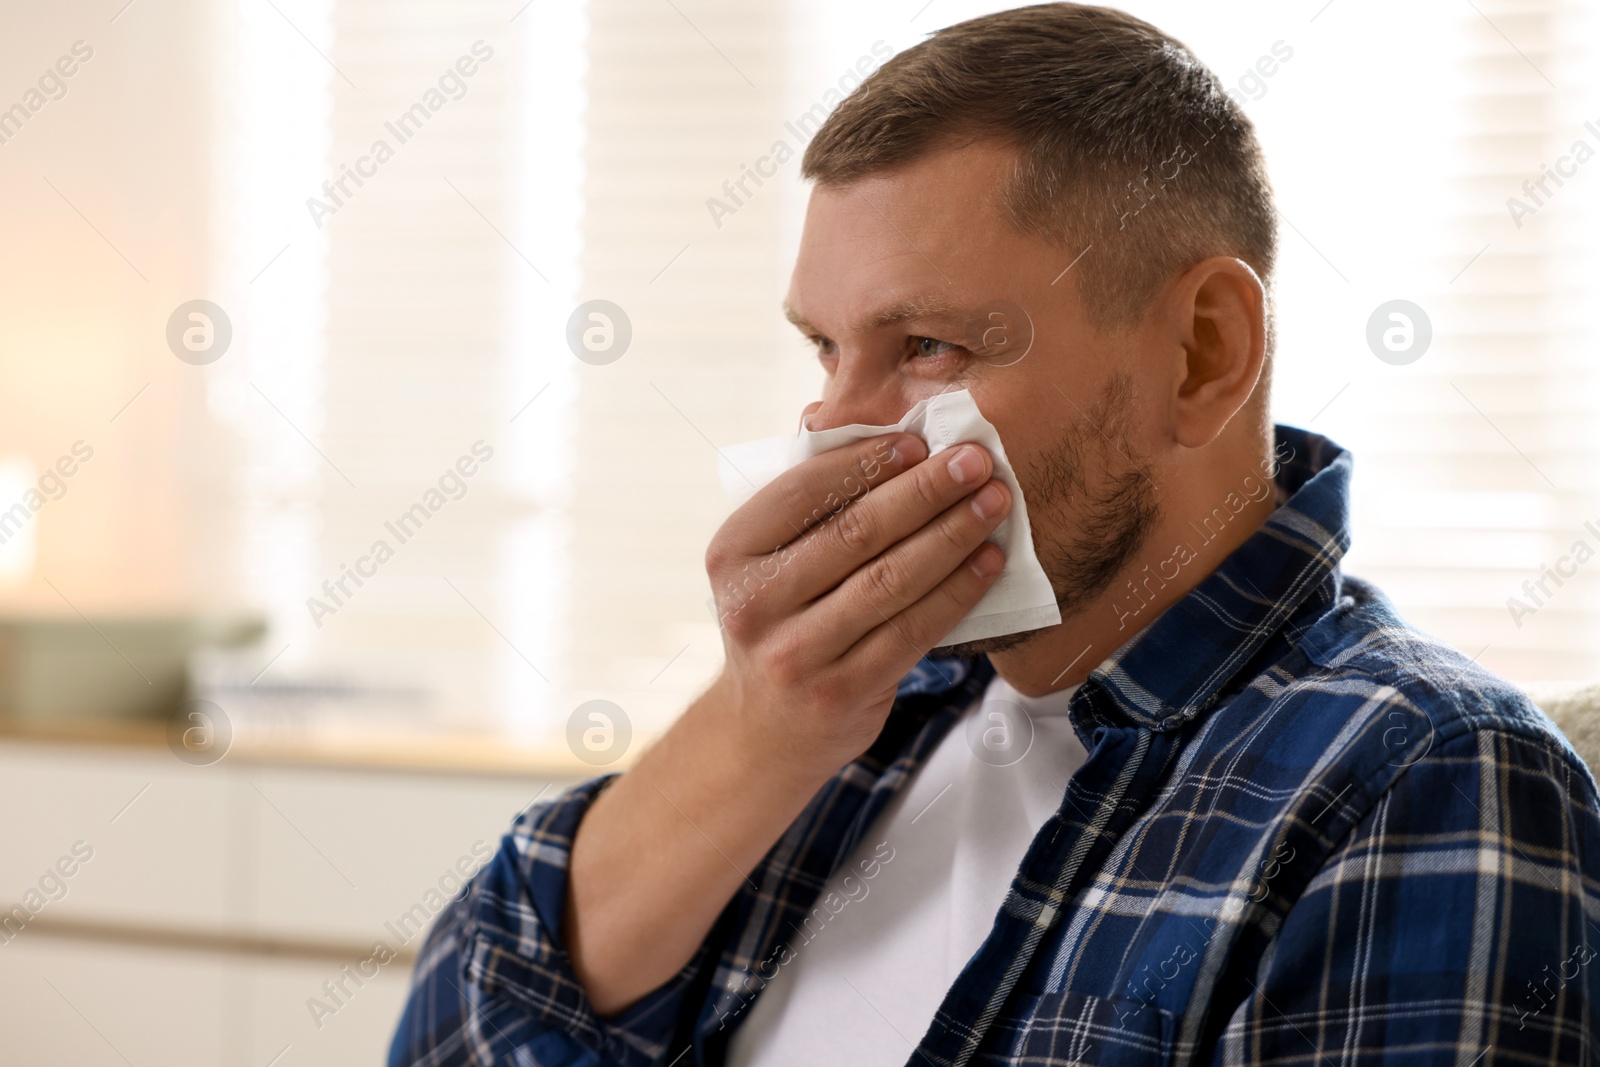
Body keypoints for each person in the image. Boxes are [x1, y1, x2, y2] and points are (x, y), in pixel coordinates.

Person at [389, 4, 1600, 1064]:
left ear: (1203, 353)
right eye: (824, 348)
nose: (832, 427)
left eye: (929, 349)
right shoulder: (850, 721)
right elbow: (454, 1025)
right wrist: (759, 724)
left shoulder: (1421, 773)